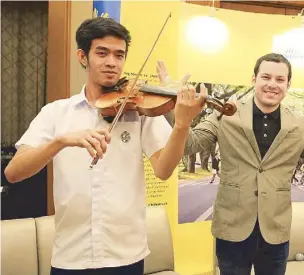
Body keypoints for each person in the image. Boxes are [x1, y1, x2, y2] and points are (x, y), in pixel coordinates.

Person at [157, 52, 304, 275]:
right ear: (254, 79)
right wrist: (174, 108)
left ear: (288, 85)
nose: (273, 84)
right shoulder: (225, 113)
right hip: (232, 226)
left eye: (280, 79)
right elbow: (190, 144)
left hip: (275, 230)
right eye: (266, 77)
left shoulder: (298, 123)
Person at [4, 17, 206, 275]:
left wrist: (181, 125)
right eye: (102, 53)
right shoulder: (55, 113)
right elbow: (13, 172)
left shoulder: (138, 110)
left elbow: (164, 170)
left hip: (126, 254)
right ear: (82, 56)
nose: (112, 62)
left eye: (119, 55)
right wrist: (60, 141)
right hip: (71, 255)